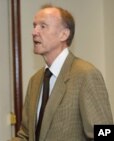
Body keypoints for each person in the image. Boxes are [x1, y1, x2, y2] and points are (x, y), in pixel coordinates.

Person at [12, 4, 113, 141]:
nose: (34, 32)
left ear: (64, 34)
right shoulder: (35, 81)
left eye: (42, 26)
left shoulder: (86, 75)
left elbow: (105, 133)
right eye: (34, 25)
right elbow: (26, 135)